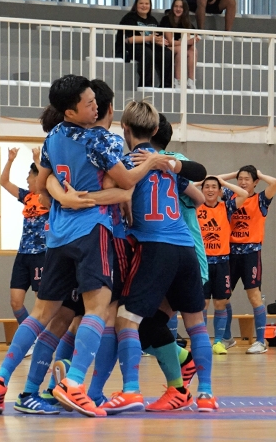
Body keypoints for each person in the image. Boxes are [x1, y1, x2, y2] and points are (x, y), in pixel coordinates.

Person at [0, 74, 162, 418]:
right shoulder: (102, 139)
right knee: (98, 310)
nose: (94, 106)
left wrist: (65, 194)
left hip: (58, 235)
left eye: (96, 101)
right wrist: (152, 161)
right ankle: (76, 384)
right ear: (69, 110)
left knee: (44, 314)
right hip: (93, 232)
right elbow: (126, 186)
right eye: (88, 103)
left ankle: (3, 379)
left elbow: (42, 184)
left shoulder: (52, 138)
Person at [111, 100, 217, 413]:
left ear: (124, 128)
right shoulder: (166, 160)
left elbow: (120, 198)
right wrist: (168, 164)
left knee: (126, 319)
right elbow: (199, 192)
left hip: (154, 247)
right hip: (185, 249)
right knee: (196, 325)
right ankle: (206, 394)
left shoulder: (127, 162)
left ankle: (131, 389)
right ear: (156, 129)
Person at [218, 165, 276, 354]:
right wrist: (232, 173)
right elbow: (213, 180)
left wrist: (259, 173)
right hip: (230, 252)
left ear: (255, 182)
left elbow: (275, 183)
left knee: (254, 296)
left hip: (251, 253)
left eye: (247, 179)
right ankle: (227, 338)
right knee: (223, 297)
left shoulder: (261, 199)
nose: (243, 182)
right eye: (240, 179)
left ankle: (260, 342)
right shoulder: (231, 196)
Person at [196, 176, 248, 355]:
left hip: (222, 262)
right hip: (202, 264)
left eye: (214, 187)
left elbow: (244, 193)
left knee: (221, 303)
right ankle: (202, 341)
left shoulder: (226, 207)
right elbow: (181, 190)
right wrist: (199, 183)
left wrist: (223, 183)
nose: (210, 190)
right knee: (202, 304)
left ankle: (218, 342)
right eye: (206, 187)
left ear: (219, 192)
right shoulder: (195, 208)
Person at [0, 147, 48, 325]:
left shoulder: (49, 196)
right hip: (23, 254)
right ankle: (30, 336)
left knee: (41, 301)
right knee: (15, 301)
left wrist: (37, 160)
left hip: (41, 254)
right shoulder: (26, 197)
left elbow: (47, 179)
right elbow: (4, 182)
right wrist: (10, 160)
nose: (27, 179)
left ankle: (39, 338)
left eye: (30, 175)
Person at [115, 0, 173, 89]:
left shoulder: (152, 20)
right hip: (131, 47)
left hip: (149, 46)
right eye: (141, 3)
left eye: (147, 3)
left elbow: (157, 36)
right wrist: (149, 38)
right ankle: (146, 85)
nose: (144, 6)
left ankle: (166, 86)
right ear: (136, 5)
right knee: (147, 53)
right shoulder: (129, 18)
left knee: (167, 53)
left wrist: (159, 40)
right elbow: (129, 39)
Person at [160, 0, 199, 89]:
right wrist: (186, 42)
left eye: (181, 7)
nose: (178, 9)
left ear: (184, 9)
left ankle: (191, 81)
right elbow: (170, 42)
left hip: (178, 47)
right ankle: (178, 81)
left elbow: (190, 39)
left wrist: (192, 40)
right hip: (164, 47)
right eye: (176, 6)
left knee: (193, 50)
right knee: (182, 49)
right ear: (172, 7)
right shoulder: (166, 19)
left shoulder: (187, 22)